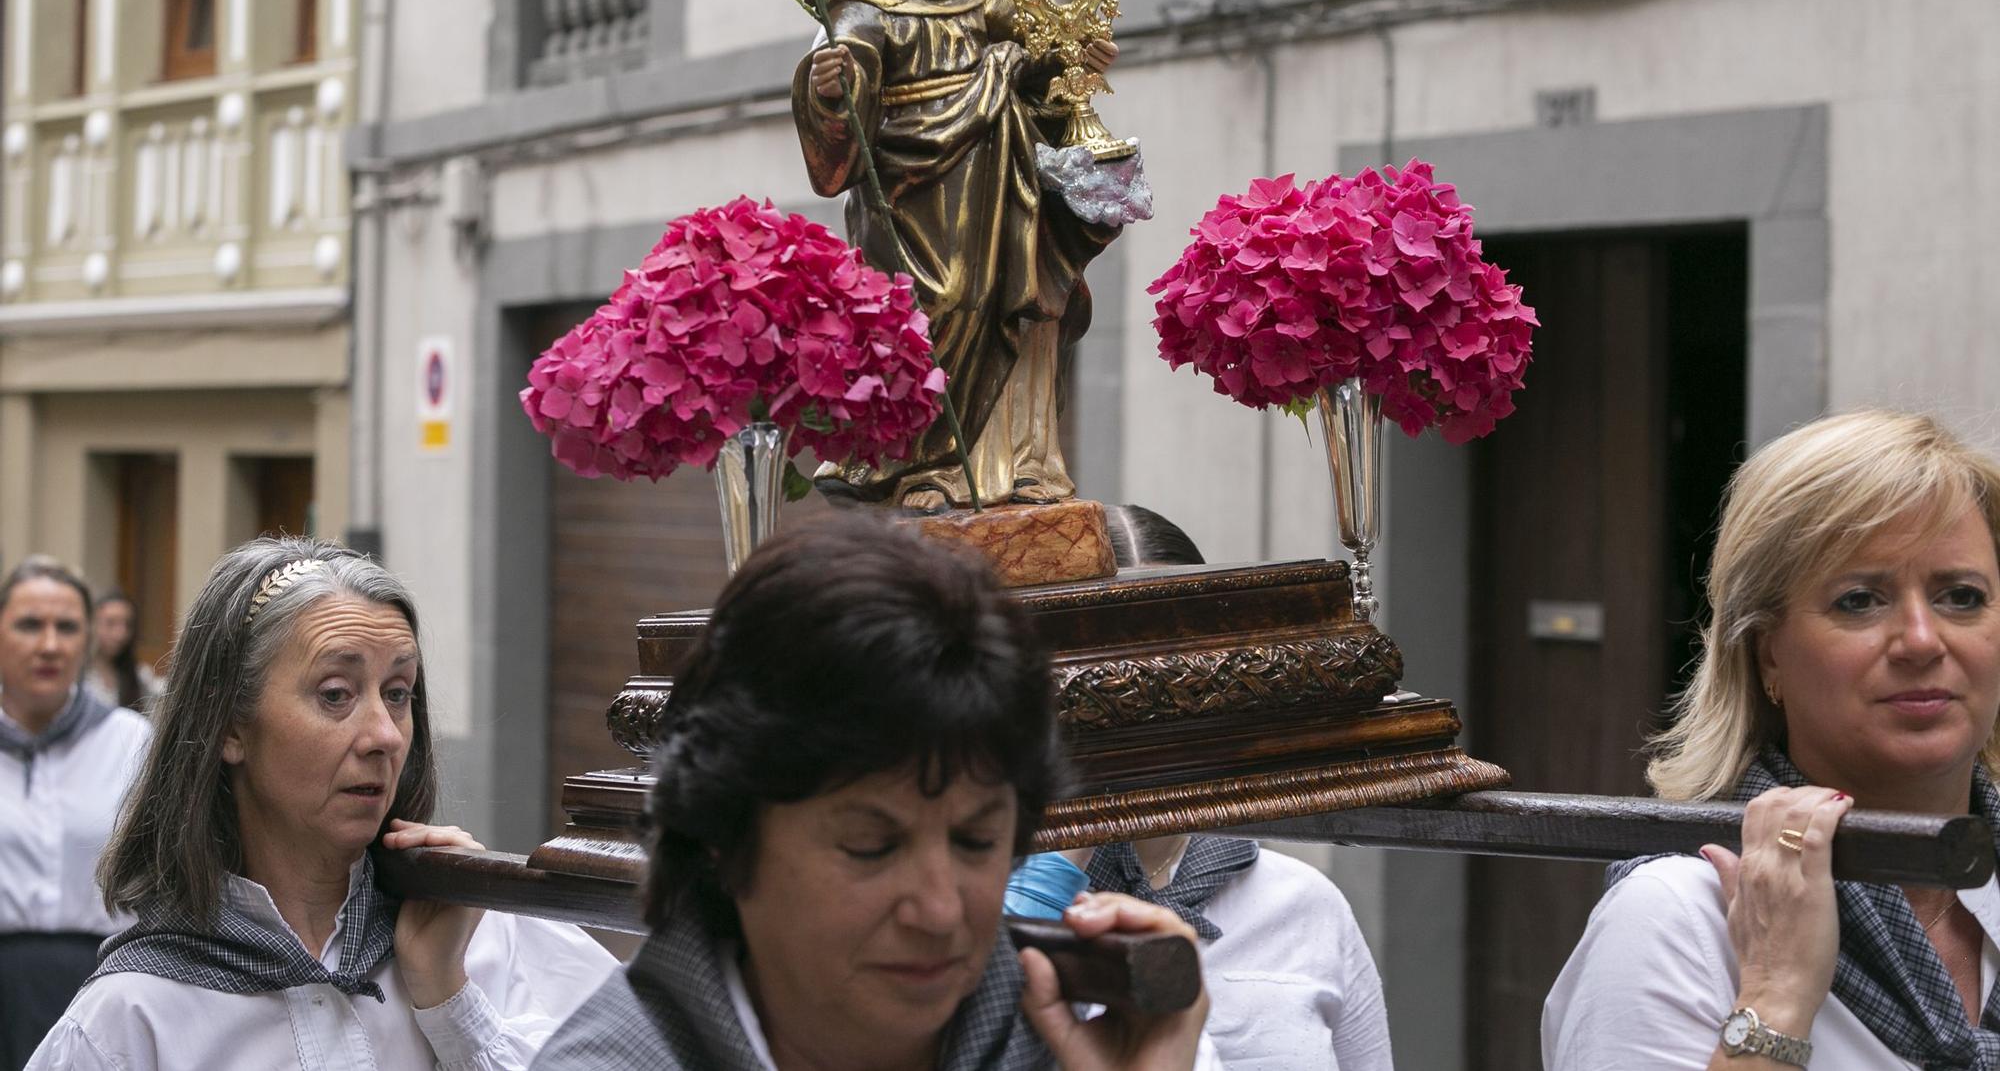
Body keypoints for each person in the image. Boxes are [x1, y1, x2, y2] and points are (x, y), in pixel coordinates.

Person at [532, 513, 1218, 1070]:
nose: (940, 908)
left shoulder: (1080, 1040)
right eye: (870, 845)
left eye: (977, 840)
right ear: (725, 837)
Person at [28, 536, 618, 1070]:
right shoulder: (130, 1022)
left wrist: (452, 1005)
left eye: (398, 694)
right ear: (229, 726)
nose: (385, 735)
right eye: (335, 694)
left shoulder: (489, 937)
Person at [1544, 410, 2000, 1068]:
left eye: (1961, 595)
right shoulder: (1676, 919)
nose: (1923, 640)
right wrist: (1776, 996)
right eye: (1860, 599)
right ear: (1767, 658)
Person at [793, 0, 1119, 512]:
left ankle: (1020, 464)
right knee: (933, 312)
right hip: (915, 202)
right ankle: (930, 468)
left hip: (1000, 182)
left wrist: (1069, 56)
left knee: (1022, 302)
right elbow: (846, 82)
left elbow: (1030, 51)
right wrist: (828, 85)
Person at [1008, 505, 1394, 1069]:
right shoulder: (995, 911)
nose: (1140, 703)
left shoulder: (1303, 905)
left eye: (1174, 667)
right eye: (1100, 674)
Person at [0, 557, 150, 1070]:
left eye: (66, 627)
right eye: (28, 625)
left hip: (100, 986)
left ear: (88, 642)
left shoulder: (132, 744)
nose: (49, 645)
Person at [82, 591, 161, 712]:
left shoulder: (140, 676)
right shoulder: (79, 675)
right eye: (110, 623)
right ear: (91, 625)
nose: (120, 634)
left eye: (127, 625)